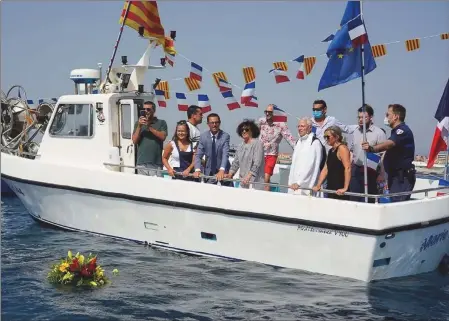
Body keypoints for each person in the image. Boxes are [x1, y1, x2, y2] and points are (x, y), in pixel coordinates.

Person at [362, 104, 416, 202]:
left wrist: (371, 148)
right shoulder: (395, 131)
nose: (385, 117)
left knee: (398, 205)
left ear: (396, 116)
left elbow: (389, 144)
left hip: (402, 177)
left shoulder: (402, 131)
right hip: (395, 175)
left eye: (387, 114)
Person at [349, 105, 387, 203]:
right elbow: (352, 151)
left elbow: (384, 155)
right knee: (354, 198)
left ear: (370, 117)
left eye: (364, 117)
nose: (360, 120)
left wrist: (381, 174)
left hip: (372, 171)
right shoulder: (356, 132)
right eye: (359, 117)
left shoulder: (379, 133)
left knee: (369, 199)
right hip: (356, 170)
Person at [258, 104, 296, 191]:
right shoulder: (261, 121)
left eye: (270, 112)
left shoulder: (281, 125)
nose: (267, 114)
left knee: (266, 178)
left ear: (275, 113)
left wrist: (299, 150)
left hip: (271, 154)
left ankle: (266, 199)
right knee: (259, 178)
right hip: (260, 153)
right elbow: (253, 133)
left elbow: (290, 139)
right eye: (266, 112)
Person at [288, 118, 325, 196]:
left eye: (302, 126)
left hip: (307, 186)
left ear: (310, 128)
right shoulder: (298, 142)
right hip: (294, 185)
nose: (300, 128)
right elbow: (294, 165)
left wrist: (299, 182)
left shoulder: (315, 142)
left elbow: (312, 165)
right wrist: (291, 182)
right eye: (298, 126)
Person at [313, 126, 351, 200]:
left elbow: (348, 168)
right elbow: (325, 169)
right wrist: (318, 185)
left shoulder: (342, 148)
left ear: (336, 137)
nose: (326, 139)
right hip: (331, 188)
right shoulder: (331, 150)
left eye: (328, 137)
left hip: (340, 189)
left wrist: (345, 188)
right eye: (325, 137)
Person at [193, 113, 232, 185]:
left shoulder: (225, 136)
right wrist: (197, 169)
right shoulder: (203, 137)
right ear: (208, 124)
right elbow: (198, 155)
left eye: (216, 122)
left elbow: (225, 154)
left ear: (219, 123)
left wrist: (222, 170)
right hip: (209, 172)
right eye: (212, 123)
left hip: (224, 172)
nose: (214, 125)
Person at [225, 120, 265, 190]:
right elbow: (236, 162)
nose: (243, 131)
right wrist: (230, 174)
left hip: (255, 183)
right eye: (242, 130)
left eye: (246, 129)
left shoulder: (257, 144)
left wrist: (249, 176)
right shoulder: (240, 146)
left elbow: (257, 163)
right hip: (243, 182)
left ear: (252, 131)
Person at [132, 101, 167, 176]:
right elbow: (134, 141)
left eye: (148, 109)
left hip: (156, 162)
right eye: (143, 109)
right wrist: (139, 126)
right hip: (142, 162)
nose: (146, 111)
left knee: (155, 186)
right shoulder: (137, 124)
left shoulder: (161, 123)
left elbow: (163, 137)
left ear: (153, 111)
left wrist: (149, 127)